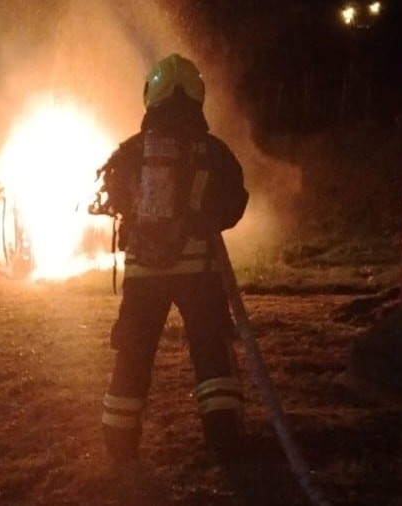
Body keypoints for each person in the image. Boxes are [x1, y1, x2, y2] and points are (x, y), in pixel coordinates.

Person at [90, 53, 249, 463]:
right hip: (199, 271)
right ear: (197, 94)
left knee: (135, 350)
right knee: (210, 348)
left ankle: (119, 440)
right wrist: (203, 218)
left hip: (144, 275)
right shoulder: (211, 150)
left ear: (151, 95)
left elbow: (114, 199)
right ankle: (223, 436)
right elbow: (234, 203)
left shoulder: (131, 151)